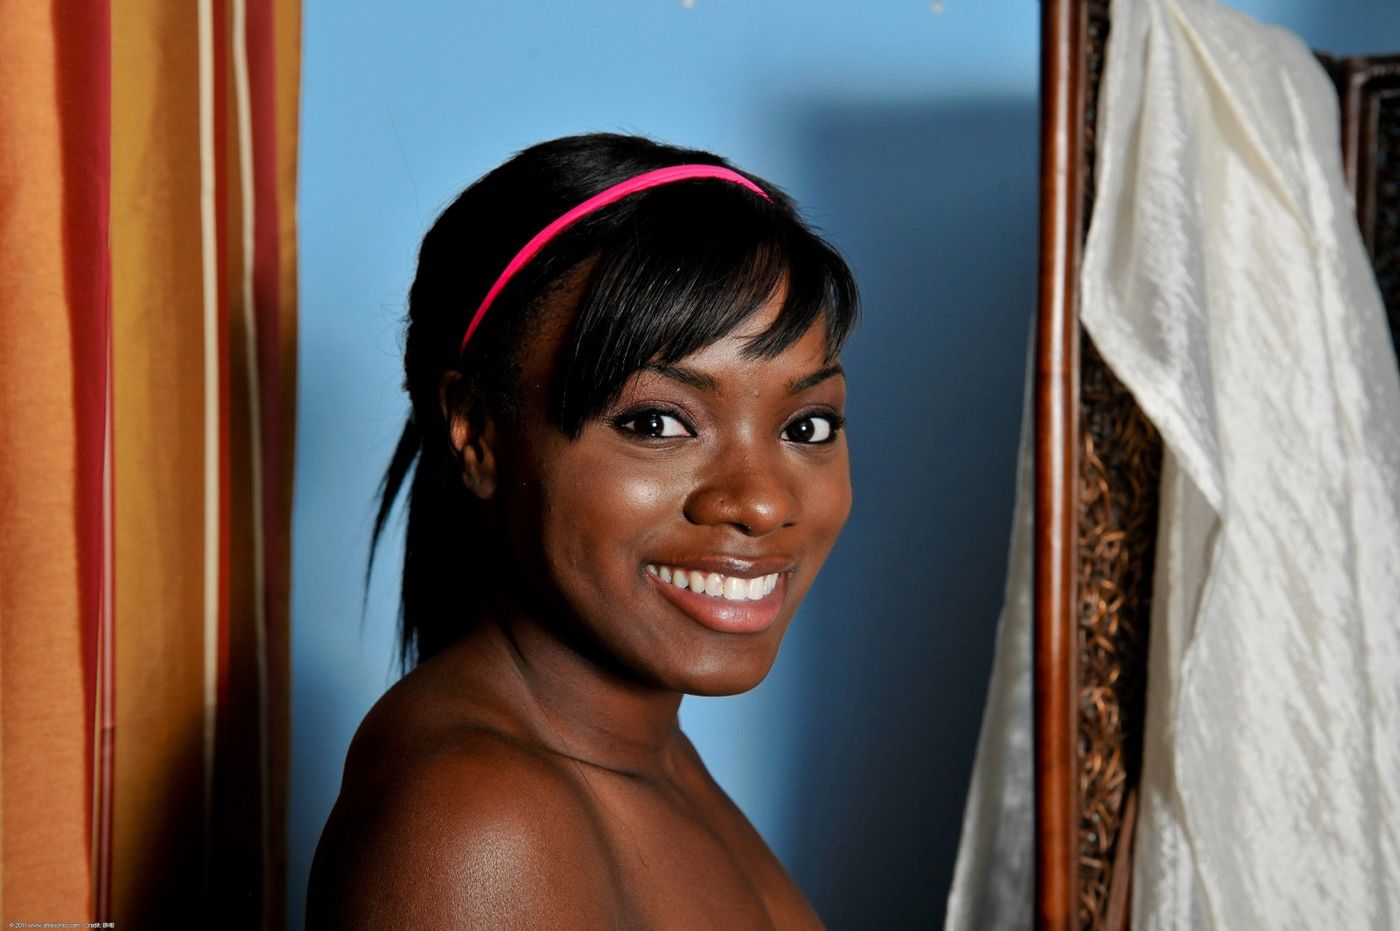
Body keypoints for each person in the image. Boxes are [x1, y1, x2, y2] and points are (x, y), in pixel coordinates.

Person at [305, 132, 859, 929]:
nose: (763, 502)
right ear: (477, 433)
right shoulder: (478, 823)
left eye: (806, 426)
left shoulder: (645, 755)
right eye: (657, 421)